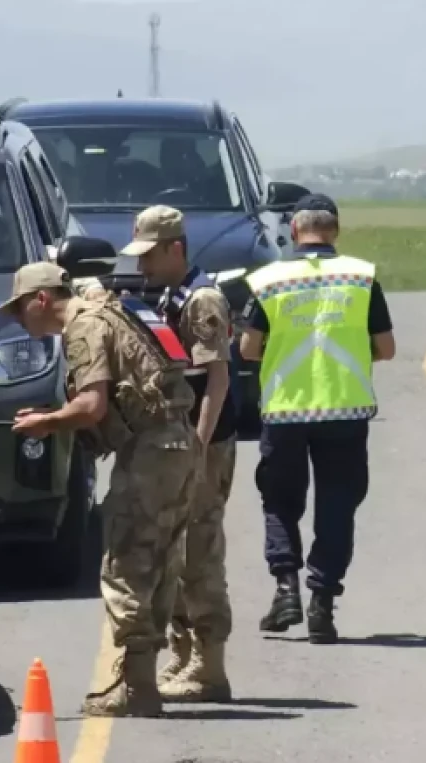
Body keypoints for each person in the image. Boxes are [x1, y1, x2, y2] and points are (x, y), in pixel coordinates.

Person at [0, 261, 200, 718]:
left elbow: (92, 406)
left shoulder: (83, 327)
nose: (19, 320)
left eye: (19, 309)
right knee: (161, 560)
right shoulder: (108, 311)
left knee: (127, 564)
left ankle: (134, 686)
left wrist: (46, 423)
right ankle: (142, 682)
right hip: (177, 443)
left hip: (150, 452)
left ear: (41, 300)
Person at [239, 193, 396, 644]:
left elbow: (249, 349)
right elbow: (385, 348)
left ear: (293, 231)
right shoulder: (361, 278)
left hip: (285, 410)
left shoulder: (268, 281)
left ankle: (285, 587)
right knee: (338, 505)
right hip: (345, 410)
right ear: (336, 231)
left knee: (280, 501)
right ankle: (322, 602)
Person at [118, 205, 238, 702]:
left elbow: (217, 379)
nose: (142, 266)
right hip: (179, 441)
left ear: (176, 248)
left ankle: (209, 666)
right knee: (175, 547)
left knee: (199, 551)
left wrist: (199, 444)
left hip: (200, 444)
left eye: (150, 255)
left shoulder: (203, 300)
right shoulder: (173, 293)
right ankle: (184, 656)